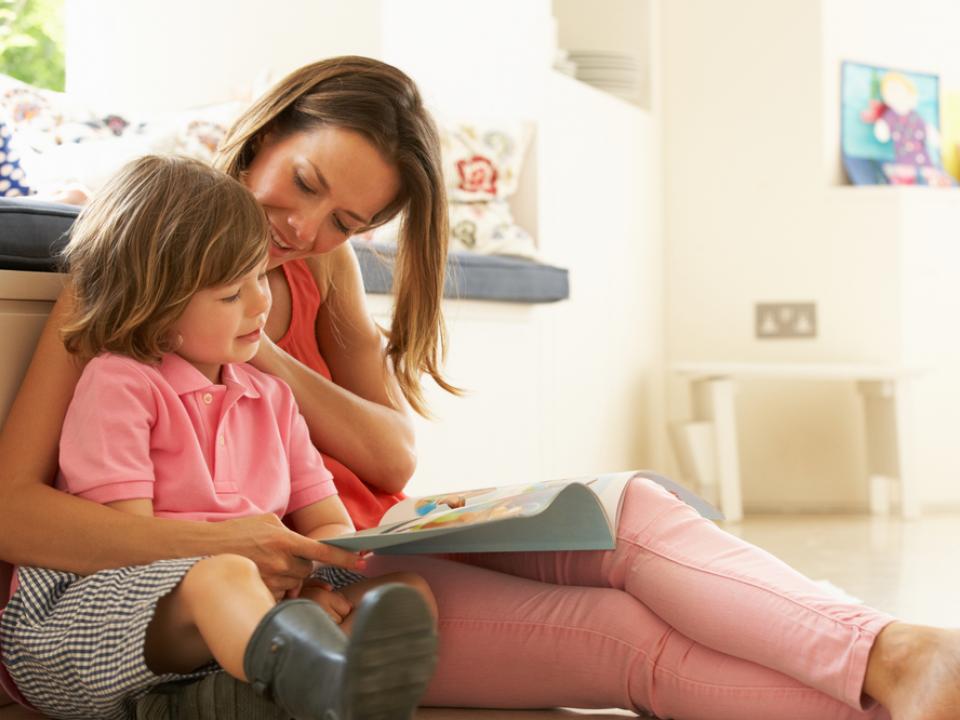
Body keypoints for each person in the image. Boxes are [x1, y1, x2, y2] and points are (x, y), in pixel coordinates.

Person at [0, 55, 958, 720]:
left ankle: (903, 655)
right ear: (265, 129)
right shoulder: (144, 263)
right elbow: (17, 514)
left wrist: (263, 355)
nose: (301, 229)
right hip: (275, 585)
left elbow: (391, 454)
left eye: (346, 219)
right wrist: (264, 545)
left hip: (351, 547)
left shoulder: (309, 277)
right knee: (625, 639)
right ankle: (904, 682)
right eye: (303, 182)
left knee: (629, 511)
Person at [0, 155, 438, 720]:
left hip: (241, 604)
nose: (261, 302)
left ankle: (242, 696)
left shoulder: (273, 398)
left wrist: (312, 577)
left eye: (260, 276)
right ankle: (323, 684)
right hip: (96, 618)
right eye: (232, 294)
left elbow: (327, 519)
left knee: (404, 590)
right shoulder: (121, 383)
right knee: (224, 577)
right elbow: (129, 544)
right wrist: (246, 568)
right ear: (156, 312)